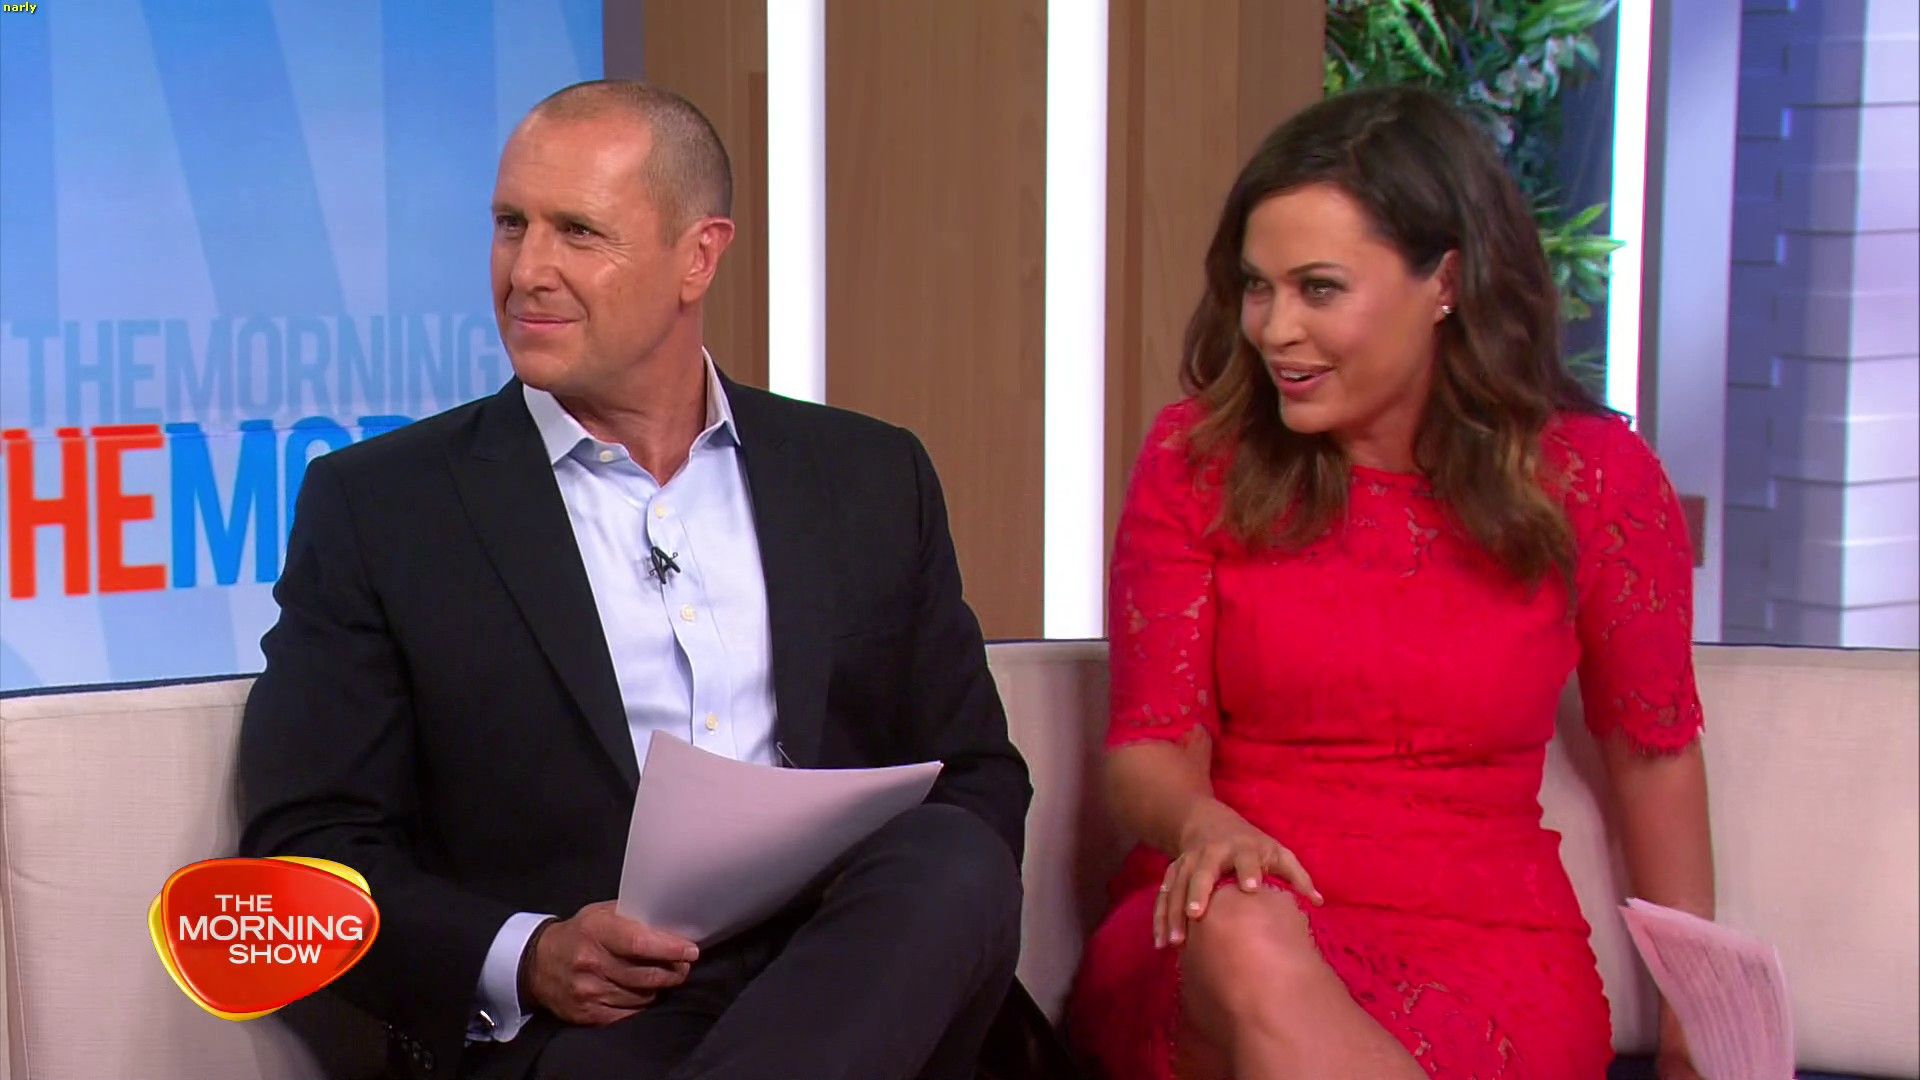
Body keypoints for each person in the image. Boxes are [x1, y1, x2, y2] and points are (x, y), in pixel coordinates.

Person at [239, 80, 1034, 1080]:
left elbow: (977, 775)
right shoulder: (384, 507)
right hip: (595, 1030)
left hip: (850, 978)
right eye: (511, 225)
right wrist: (528, 955)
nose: (528, 270)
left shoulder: (869, 476)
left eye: (578, 232)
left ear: (698, 255)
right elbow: (307, 850)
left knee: (954, 854)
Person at [1068, 86, 1714, 1080]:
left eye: (1318, 289)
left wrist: (1691, 1023)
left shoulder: (1594, 481)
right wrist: (1207, 827)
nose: (1274, 329)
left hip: (1491, 953)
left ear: (1444, 281)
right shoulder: (1197, 461)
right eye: (1257, 287)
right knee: (1247, 932)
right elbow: (1149, 750)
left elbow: (1653, 760)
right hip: (1221, 929)